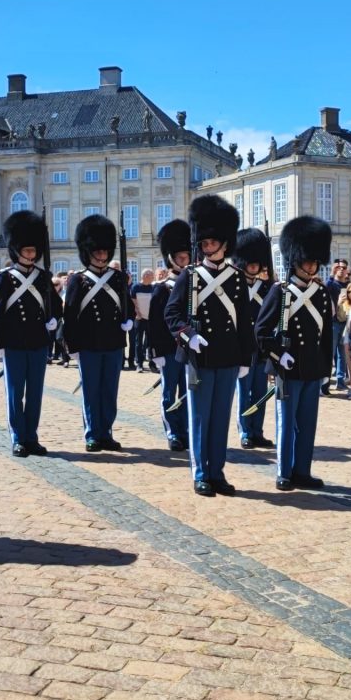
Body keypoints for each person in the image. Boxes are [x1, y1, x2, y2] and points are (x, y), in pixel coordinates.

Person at [165, 194, 254, 497]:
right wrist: (189, 334)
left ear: (224, 243)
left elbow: (244, 321)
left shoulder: (238, 279)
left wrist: (245, 358)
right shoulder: (190, 276)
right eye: (203, 243)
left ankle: (217, 471)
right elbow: (172, 314)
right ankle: (201, 472)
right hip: (200, 357)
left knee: (220, 419)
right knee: (200, 418)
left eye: (212, 242)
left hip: (228, 356)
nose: (206, 247)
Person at [255, 215, 333, 492]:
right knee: (286, 423)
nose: (312, 266)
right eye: (307, 261)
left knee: (308, 424)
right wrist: (277, 355)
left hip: (312, 367)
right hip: (288, 367)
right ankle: (284, 471)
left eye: (315, 261)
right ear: (295, 259)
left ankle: (303, 470)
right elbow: (261, 331)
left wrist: (327, 368)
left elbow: (326, 336)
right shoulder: (280, 292)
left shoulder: (322, 294)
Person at [0, 210, 61, 457]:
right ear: (17, 251)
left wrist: (53, 319)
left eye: (33, 251)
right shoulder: (6, 278)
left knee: (35, 393)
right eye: (27, 251)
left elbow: (57, 306)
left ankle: (32, 436)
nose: (31, 255)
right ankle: (18, 437)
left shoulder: (43, 277)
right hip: (14, 342)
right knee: (15, 392)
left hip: (38, 342)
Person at [63, 214, 134, 452]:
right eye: (97, 252)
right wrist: (71, 346)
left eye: (105, 252)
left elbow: (128, 307)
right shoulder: (78, 280)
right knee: (91, 391)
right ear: (88, 252)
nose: (102, 256)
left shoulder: (118, 278)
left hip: (113, 342)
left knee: (109, 392)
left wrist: (129, 321)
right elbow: (70, 315)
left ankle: (106, 432)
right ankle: (92, 433)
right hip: (89, 344)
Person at [149, 219, 191, 451]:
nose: (185, 262)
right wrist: (155, 352)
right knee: (169, 393)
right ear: (172, 259)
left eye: (187, 257)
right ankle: (172, 431)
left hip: (190, 349)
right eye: (181, 258)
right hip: (168, 348)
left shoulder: (195, 285)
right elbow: (155, 323)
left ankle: (185, 428)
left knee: (187, 392)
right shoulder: (162, 287)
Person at [231, 227, 274, 448]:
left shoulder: (267, 287)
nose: (254, 265)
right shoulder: (234, 284)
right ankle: (245, 431)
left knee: (259, 392)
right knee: (244, 392)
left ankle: (257, 430)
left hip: (261, 347)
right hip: (242, 347)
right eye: (251, 262)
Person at [325, 259, 349, 392]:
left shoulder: (347, 285)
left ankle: (340, 381)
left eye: (343, 267)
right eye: (338, 267)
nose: (341, 269)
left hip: (344, 322)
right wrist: (331, 274)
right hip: (333, 322)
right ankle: (326, 382)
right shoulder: (331, 283)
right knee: (330, 353)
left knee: (342, 355)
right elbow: (325, 286)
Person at [131, 268, 155, 372]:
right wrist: (137, 313)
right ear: (145, 276)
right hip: (139, 318)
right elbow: (133, 301)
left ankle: (152, 363)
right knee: (138, 342)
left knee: (151, 342)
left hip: (150, 319)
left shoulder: (153, 287)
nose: (153, 278)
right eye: (151, 276)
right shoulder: (136, 287)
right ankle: (139, 364)